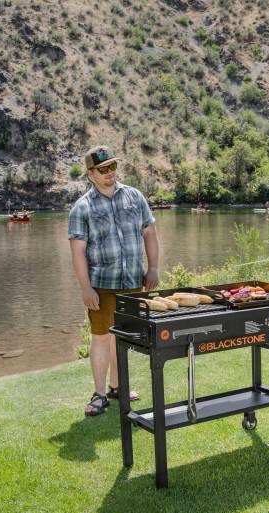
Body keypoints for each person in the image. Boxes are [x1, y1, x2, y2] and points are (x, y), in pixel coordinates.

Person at [68, 146, 159, 416]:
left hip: (132, 283)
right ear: (91, 174)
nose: (110, 172)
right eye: (103, 169)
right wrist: (86, 288)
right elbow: (77, 252)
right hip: (102, 285)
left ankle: (118, 387)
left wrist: (153, 268)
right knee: (100, 337)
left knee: (123, 338)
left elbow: (150, 232)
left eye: (112, 166)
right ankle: (99, 395)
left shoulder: (134, 196)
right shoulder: (82, 207)